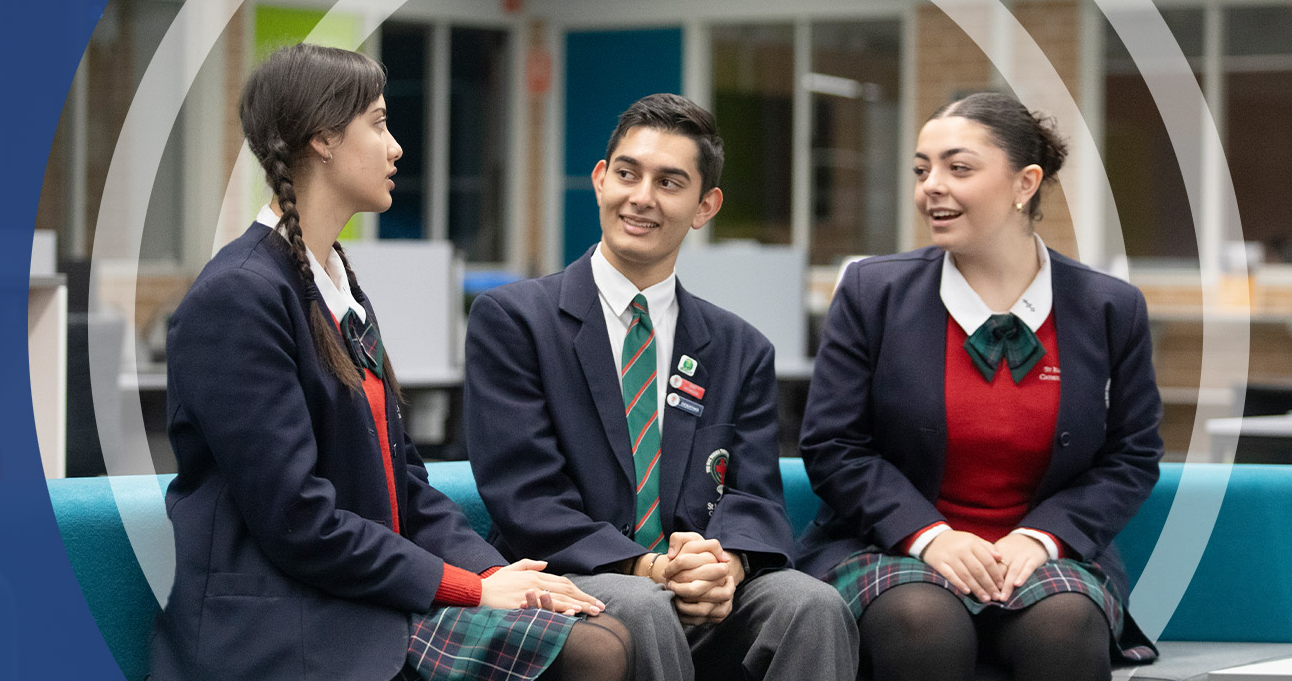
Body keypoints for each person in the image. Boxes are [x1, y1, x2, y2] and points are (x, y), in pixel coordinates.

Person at [150, 43, 631, 681]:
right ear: (322, 138)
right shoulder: (239, 295)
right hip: (286, 622)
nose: (396, 146)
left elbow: (403, 481)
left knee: (604, 633)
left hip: (356, 599)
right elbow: (298, 520)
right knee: (592, 651)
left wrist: (489, 571)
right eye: (378, 124)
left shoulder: (334, 280)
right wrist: (466, 588)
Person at [464, 93, 856, 681]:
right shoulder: (515, 321)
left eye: (670, 182)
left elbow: (753, 496)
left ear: (705, 206)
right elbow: (527, 496)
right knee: (645, 606)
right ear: (600, 181)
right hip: (575, 581)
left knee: (811, 605)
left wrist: (728, 565)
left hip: (698, 590)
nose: (641, 197)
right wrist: (645, 568)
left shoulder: (740, 348)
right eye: (627, 174)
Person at [794, 91, 1163, 681]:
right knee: (923, 622)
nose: (931, 186)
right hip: (895, 546)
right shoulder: (871, 293)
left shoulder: (1108, 306)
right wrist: (929, 536)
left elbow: (1133, 456)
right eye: (922, 170)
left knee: (1065, 625)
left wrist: (1044, 539)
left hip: (1042, 555)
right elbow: (833, 446)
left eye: (957, 168)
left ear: (1025, 184)